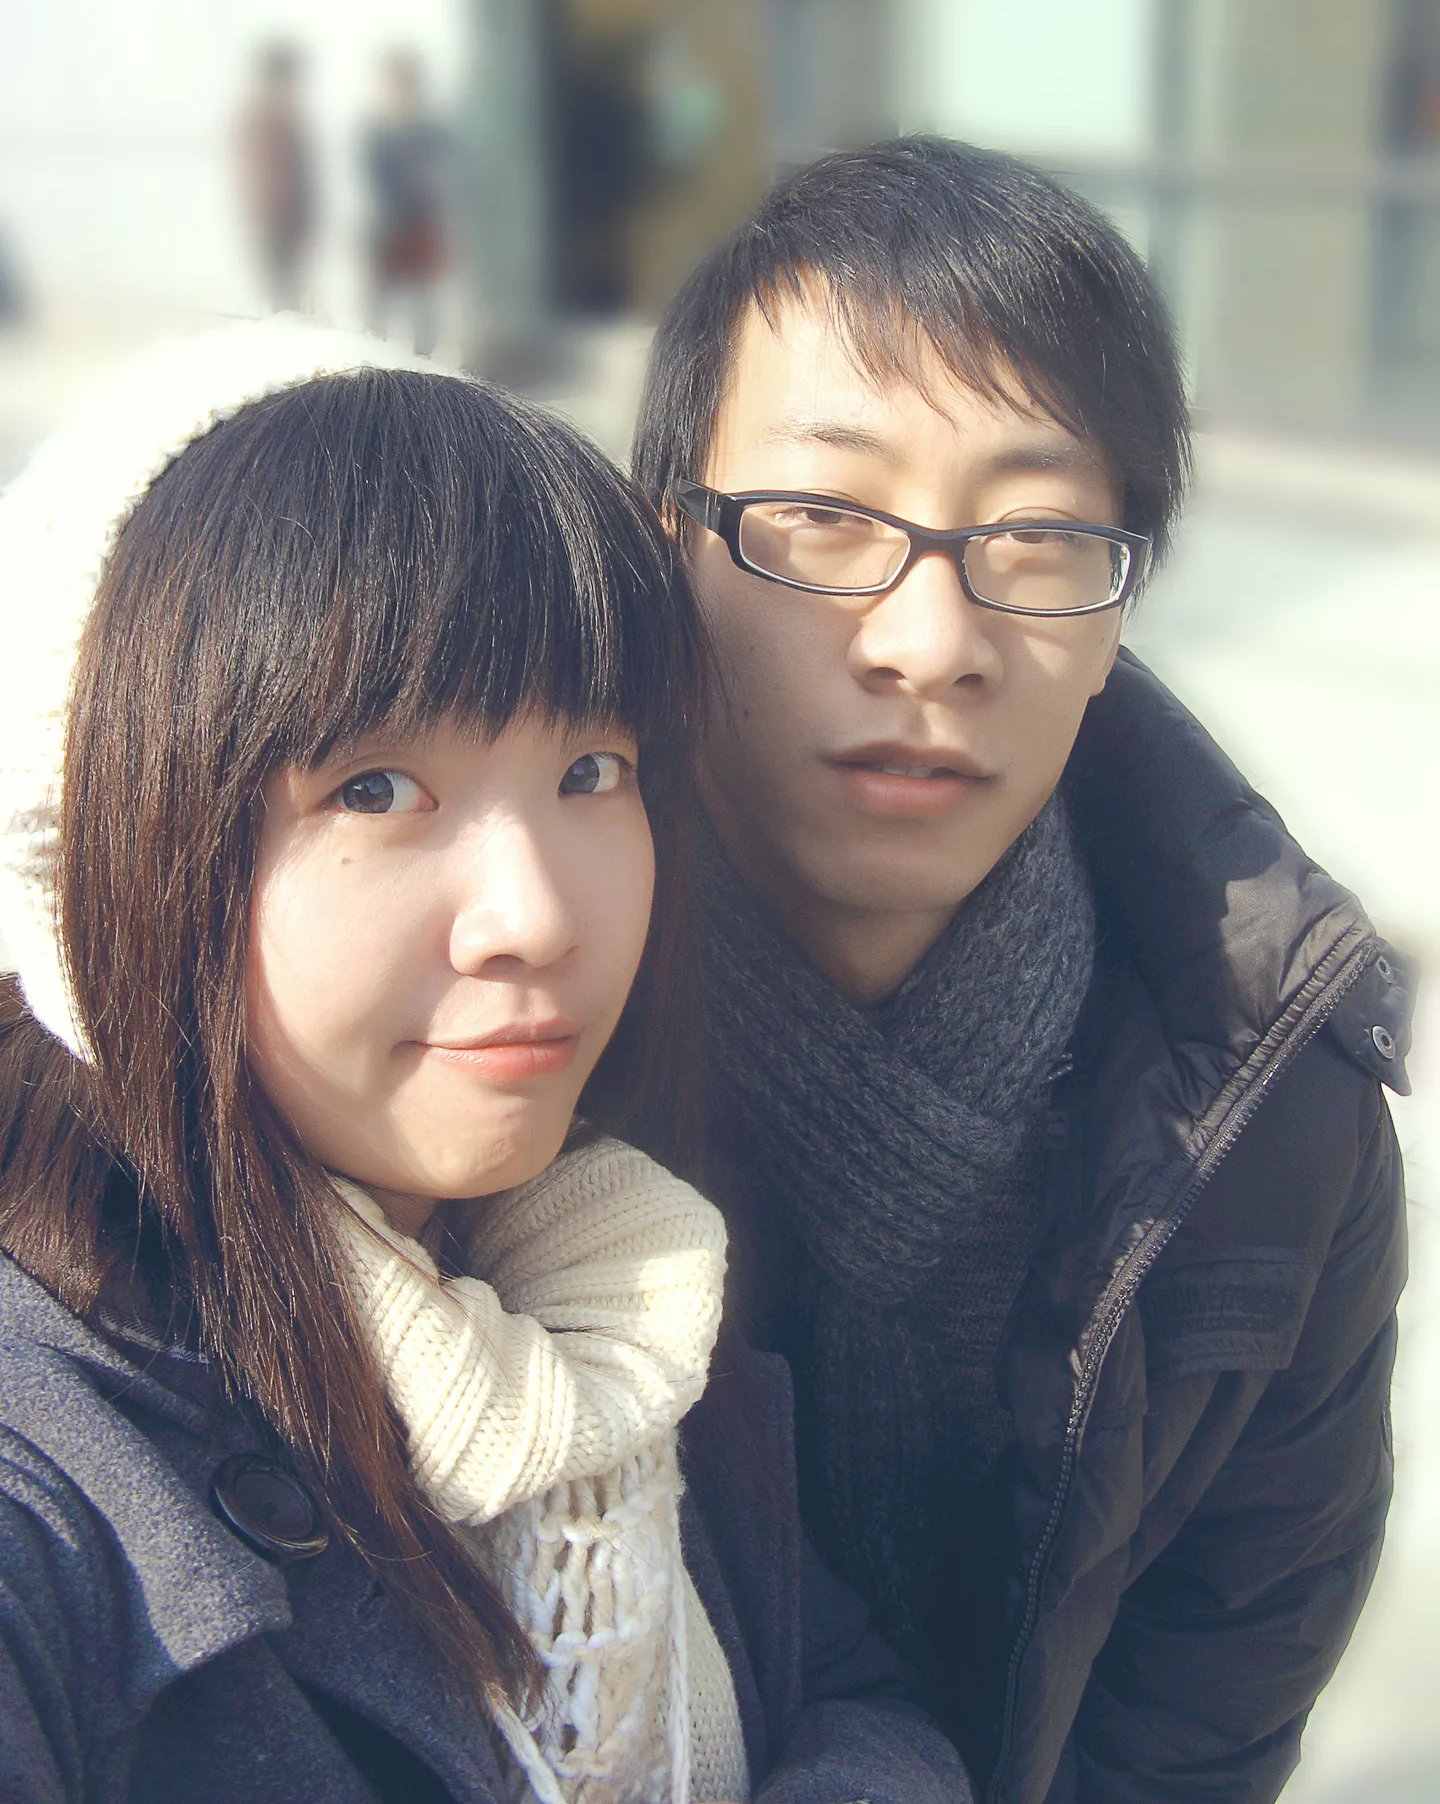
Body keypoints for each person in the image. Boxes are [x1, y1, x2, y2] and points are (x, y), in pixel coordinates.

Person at [0, 318, 971, 1804]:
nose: (535, 916)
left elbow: (848, 1691)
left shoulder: (601, 1282)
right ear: (102, 856)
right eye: (376, 789)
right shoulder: (47, 1492)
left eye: (592, 770)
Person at [631, 137, 1414, 1804]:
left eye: (1043, 535)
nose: (929, 643)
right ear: (668, 543)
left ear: (1120, 608)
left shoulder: (1278, 1120)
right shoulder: (507, 1031)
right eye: (823, 518)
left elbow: (1201, 1722)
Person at [362, 51, 450, 356]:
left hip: (421, 229)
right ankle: (377, 372)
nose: (398, 91)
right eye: (392, 84)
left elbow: (445, 180)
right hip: (386, 231)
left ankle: (423, 369)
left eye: (404, 83)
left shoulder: (433, 133)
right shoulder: (375, 134)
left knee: (424, 314)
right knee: (378, 313)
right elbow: (371, 182)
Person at [235, 42, 317, 313]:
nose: (294, 87)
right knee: (282, 296)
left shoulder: (291, 120)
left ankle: (287, 322)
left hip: (292, 222)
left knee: (290, 294)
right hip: (274, 223)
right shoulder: (261, 119)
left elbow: (305, 176)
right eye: (289, 78)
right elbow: (261, 177)